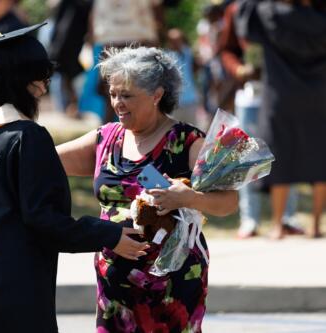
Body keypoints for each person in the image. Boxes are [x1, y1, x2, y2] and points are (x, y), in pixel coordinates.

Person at [0, 24, 149, 333]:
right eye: (44, 80)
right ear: (31, 84)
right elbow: (46, 221)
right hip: (13, 299)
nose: (44, 89)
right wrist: (109, 234)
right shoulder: (28, 138)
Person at [57, 47, 238, 332]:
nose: (117, 103)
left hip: (172, 284)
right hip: (114, 287)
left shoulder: (188, 141)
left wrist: (190, 197)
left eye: (127, 95)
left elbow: (228, 202)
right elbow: (42, 158)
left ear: (156, 95)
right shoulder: (106, 138)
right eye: (113, 94)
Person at [236, 0, 326, 239]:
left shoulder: (270, 13)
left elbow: (245, 24)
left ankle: (277, 225)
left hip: (281, 94)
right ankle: (316, 225)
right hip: (320, 94)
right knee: (320, 156)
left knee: (281, 155)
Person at [219, 0, 302, 239]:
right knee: (247, 154)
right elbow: (227, 49)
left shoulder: (288, 8)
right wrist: (237, 69)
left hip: (286, 91)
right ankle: (250, 219)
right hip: (251, 94)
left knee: (288, 151)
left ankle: (288, 216)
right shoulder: (238, 10)